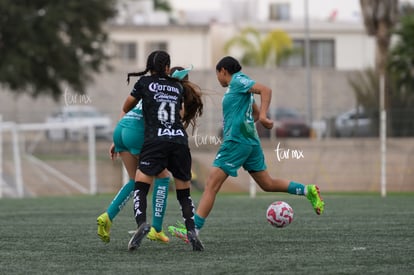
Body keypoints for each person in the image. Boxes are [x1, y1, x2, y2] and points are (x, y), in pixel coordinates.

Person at [169, 56, 325, 246]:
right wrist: (251, 122)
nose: (218, 78)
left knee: (211, 184)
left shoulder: (237, 81)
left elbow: (266, 90)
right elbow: (255, 113)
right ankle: (307, 190)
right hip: (250, 141)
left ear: (223, 71)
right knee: (267, 183)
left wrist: (264, 117)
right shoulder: (243, 88)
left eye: (218, 74)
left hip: (236, 142)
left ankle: (192, 230)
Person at [96, 66, 194, 244]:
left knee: (136, 180)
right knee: (163, 177)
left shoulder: (152, 86)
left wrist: (118, 139)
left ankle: (107, 217)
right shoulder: (176, 93)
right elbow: (173, 125)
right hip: (138, 133)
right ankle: (156, 229)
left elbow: (127, 107)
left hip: (123, 128)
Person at [123, 50, 204, 251]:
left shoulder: (144, 83)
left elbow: (126, 107)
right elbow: (180, 113)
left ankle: (142, 223)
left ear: (149, 66)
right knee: (184, 192)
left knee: (141, 185)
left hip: (155, 140)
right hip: (178, 141)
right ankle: (191, 230)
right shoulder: (177, 86)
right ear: (167, 67)